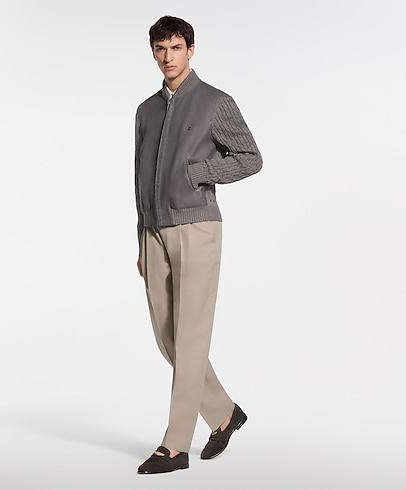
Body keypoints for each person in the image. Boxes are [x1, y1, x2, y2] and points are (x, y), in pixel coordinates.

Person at [134, 15, 263, 474]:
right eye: (160, 48)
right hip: (154, 231)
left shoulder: (215, 102)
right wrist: (140, 235)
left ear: (190, 50)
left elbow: (250, 158)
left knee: (190, 338)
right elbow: (138, 177)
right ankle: (225, 414)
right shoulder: (146, 111)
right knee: (168, 337)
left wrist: (199, 173)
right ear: (153, 52)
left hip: (197, 228)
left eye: (176, 47)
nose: (167, 56)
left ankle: (175, 447)